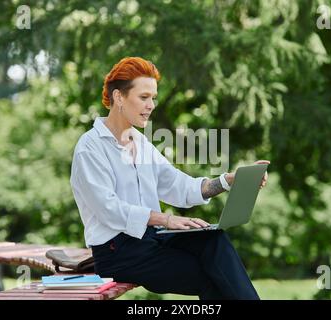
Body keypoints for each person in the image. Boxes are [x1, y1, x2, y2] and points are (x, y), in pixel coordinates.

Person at [70, 57, 269, 300]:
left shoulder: (141, 143)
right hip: (117, 254)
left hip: (152, 240)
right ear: (119, 97)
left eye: (153, 97)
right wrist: (166, 219)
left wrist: (228, 180)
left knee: (214, 240)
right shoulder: (90, 148)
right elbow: (108, 209)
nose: (151, 105)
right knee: (213, 277)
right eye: (144, 97)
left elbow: (180, 187)